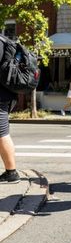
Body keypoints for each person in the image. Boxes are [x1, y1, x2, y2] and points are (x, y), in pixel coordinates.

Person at [0, 37, 20, 184]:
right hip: (7, 93)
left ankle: (11, 172)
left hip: (1, 96)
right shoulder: (4, 41)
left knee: (2, 133)